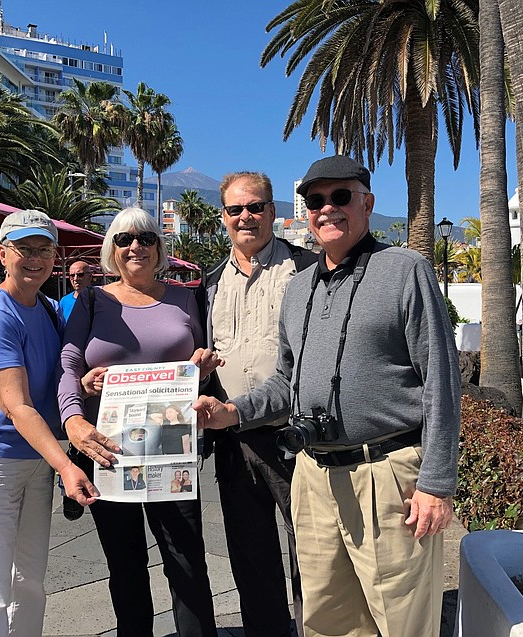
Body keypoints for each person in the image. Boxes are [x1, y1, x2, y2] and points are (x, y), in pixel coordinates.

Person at [194, 156, 461, 637]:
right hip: (313, 476)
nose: (327, 209)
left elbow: (442, 380)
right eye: (316, 200)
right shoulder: (299, 290)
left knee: (400, 619)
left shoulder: (405, 269)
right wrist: (231, 412)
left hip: (386, 475)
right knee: (325, 619)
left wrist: (437, 483)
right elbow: (284, 385)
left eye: (341, 197)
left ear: (367, 203)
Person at [58, 207, 220, 637]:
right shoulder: (93, 300)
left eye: (146, 238)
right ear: (112, 249)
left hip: (172, 450)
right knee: (125, 564)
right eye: (125, 239)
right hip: (108, 450)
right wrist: (74, 414)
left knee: (186, 561)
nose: (136, 247)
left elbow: (204, 356)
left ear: (159, 247)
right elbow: (69, 363)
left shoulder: (186, 297)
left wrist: (202, 364)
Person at [0, 209, 98, 637]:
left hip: (34, 461)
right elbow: (18, 407)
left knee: (28, 583)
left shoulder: (49, 309)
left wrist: (86, 382)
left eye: (44, 249)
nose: (35, 259)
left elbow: (51, 378)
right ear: (2, 254)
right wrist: (67, 466)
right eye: (24, 249)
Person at [196, 170, 317, 637]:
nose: (245, 217)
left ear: (273, 212)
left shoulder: (309, 268)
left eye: (255, 207)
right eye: (234, 209)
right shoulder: (208, 286)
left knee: (311, 551)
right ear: (223, 217)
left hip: (297, 438)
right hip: (233, 438)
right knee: (250, 554)